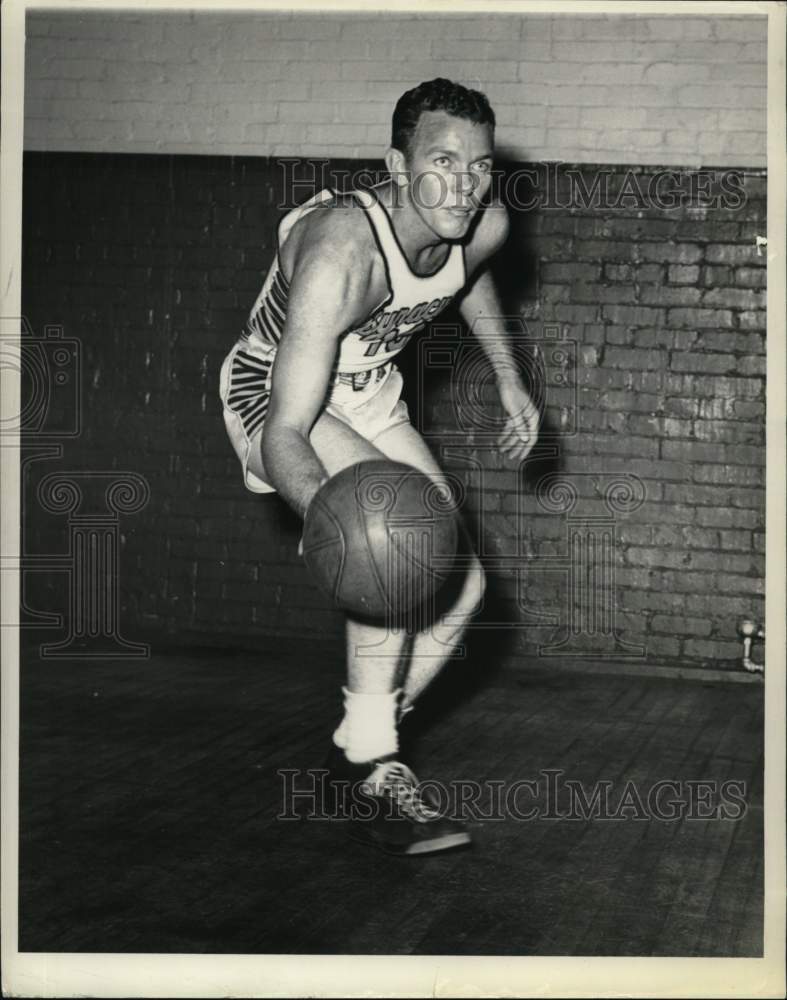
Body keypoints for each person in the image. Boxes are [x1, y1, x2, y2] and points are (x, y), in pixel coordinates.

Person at [220, 78, 539, 854]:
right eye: (440, 161)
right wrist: (332, 516)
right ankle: (375, 762)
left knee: (460, 590)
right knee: (390, 550)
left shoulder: (480, 221)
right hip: (277, 396)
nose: (462, 185)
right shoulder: (341, 253)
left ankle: (354, 749)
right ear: (395, 166)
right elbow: (288, 428)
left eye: (479, 165)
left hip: (367, 397)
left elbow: (465, 279)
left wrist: (507, 378)